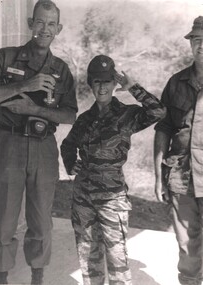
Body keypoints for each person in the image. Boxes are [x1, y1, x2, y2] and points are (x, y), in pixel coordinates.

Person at [60, 54, 165, 285]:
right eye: (97, 81)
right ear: (90, 83)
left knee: (117, 260)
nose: (102, 87)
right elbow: (67, 145)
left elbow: (158, 111)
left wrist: (133, 87)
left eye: (107, 81)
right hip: (83, 199)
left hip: (112, 199)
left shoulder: (127, 115)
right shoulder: (85, 119)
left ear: (115, 83)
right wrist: (71, 163)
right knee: (88, 257)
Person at [0, 1, 77, 284]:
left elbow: (69, 114)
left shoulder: (61, 69)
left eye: (51, 24)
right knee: (4, 219)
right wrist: (22, 86)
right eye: (40, 22)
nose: (45, 29)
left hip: (43, 148)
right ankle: (2, 277)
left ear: (59, 29)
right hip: (8, 145)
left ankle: (37, 276)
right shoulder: (5, 58)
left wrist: (34, 109)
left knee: (41, 219)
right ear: (31, 24)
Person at [154, 16, 203, 285]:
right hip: (181, 176)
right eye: (196, 40)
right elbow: (163, 128)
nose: (201, 46)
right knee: (187, 245)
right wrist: (156, 175)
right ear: (190, 44)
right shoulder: (176, 83)